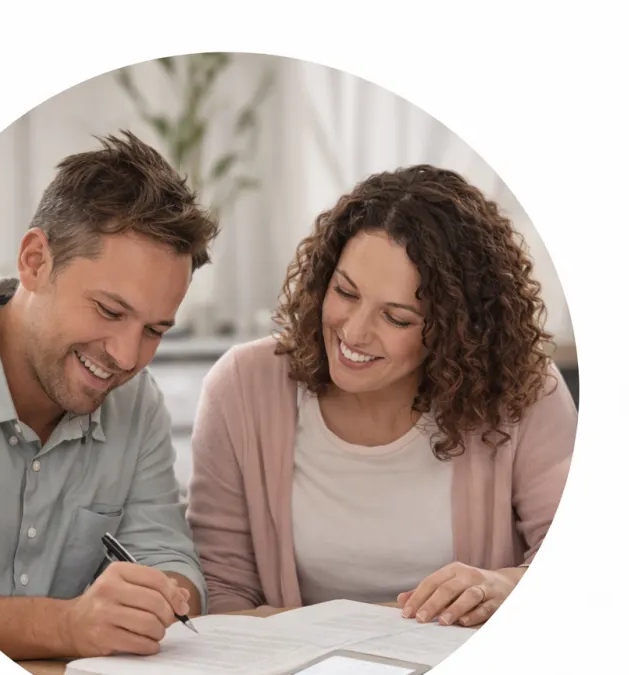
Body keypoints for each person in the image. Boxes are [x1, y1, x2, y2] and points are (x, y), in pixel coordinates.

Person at [0, 132, 220, 660]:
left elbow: (168, 555)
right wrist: (66, 627)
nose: (128, 357)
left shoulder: (137, 404)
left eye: (155, 329)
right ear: (35, 261)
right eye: (109, 311)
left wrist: (164, 595)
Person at [187, 164, 577, 627]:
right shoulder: (243, 387)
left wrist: (505, 586)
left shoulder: (523, 390)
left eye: (396, 318)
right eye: (345, 292)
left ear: (457, 332)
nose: (354, 333)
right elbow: (225, 592)